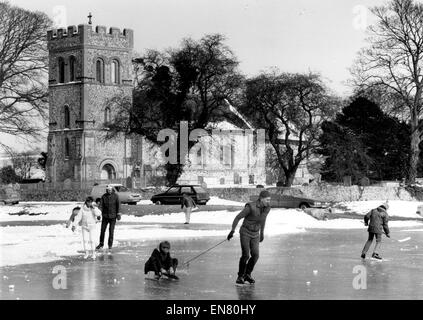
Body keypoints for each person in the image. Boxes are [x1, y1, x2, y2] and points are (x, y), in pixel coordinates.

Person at [227, 190, 271, 285]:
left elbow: (263, 220)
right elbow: (238, 217)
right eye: (267, 200)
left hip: (255, 234)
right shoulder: (250, 207)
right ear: (261, 198)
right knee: (246, 255)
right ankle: (240, 276)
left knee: (255, 255)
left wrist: (262, 233)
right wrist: (232, 230)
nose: (269, 202)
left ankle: (247, 274)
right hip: (245, 232)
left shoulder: (267, 208)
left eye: (269, 200)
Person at [96, 185, 121, 253]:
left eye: (110, 190)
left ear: (112, 190)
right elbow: (101, 206)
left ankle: (110, 245)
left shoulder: (116, 196)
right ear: (106, 190)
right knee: (102, 230)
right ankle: (101, 244)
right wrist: (98, 213)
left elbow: (118, 205)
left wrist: (118, 213)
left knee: (111, 231)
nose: (109, 191)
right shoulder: (104, 196)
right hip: (105, 216)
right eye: (108, 190)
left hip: (113, 217)